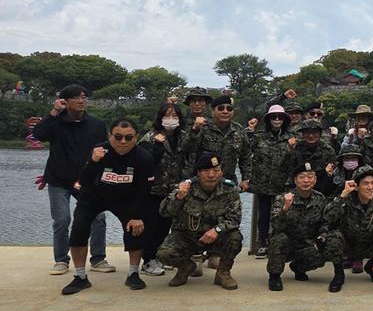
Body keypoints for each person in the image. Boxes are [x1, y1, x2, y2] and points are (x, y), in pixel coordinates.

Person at [59, 118, 155, 295]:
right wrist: (93, 162)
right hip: (94, 196)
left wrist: (138, 216)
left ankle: (133, 273)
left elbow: (145, 191)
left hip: (127, 199)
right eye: (117, 137)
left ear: (136, 137)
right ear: (110, 137)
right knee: (78, 229)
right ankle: (80, 277)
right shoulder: (99, 151)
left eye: (128, 137)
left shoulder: (144, 157)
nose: (123, 142)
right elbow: (84, 181)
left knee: (136, 228)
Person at [32, 84, 112, 276]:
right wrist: (54, 111)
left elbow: (105, 151)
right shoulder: (55, 123)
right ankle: (61, 260)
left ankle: (98, 258)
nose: (81, 100)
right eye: (76, 97)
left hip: (87, 181)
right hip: (59, 180)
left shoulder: (97, 124)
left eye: (84, 96)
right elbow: (38, 135)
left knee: (98, 218)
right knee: (62, 220)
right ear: (64, 101)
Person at [157, 152, 243, 290]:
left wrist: (217, 230)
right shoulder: (185, 188)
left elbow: (235, 219)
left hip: (215, 237)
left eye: (216, 170)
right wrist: (179, 197)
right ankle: (186, 267)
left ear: (221, 172)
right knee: (164, 254)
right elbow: (164, 212)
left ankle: (223, 273)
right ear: (198, 173)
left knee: (235, 237)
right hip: (187, 237)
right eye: (206, 171)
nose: (211, 175)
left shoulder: (229, 189)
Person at [322, 166, 373, 291]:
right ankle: (338, 274)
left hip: (370, 244)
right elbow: (328, 217)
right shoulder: (346, 198)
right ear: (356, 186)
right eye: (365, 184)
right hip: (348, 245)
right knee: (333, 237)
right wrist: (344, 194)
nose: (370, 187)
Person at [138, 103, 187, 275]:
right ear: (160, 117)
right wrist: (157, 147)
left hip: (174, 191)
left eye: (175, 115)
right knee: (152, 225)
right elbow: (143, 162)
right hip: (154, 190)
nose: (171, 118)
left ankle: (160, 256)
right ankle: (148, 260)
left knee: (166, 226)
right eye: (167, 115)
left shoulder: (184, 137)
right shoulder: (150, 137)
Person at [266, 162, 327, 291]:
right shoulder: (283, 198)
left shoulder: (320, 198)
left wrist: (322, 236)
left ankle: (299, 267)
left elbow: (324, 223)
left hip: (306, 244)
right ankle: (275, 276)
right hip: (287, 244)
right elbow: (276, 225)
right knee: (278, 239)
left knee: (325, 249)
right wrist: (285, 208)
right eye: (302, 177)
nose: (306, 180)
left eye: (310, 177)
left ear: (315, 180)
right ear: (295, 180)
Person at [246, 104, 294, 259]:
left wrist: (293, 149)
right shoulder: (259, 136)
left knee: (281, 214)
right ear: (269, 119)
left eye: (280, 117)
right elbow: (245, 149)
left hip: (283, 184)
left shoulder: (290, 138)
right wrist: (250, 130)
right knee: (264, 215)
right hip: (263, 183)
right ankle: (263, 243)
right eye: (274, 117)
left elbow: (294, 162)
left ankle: (278, 244)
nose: (277, 120)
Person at [181, 95, 252, 192]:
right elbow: (186, 149)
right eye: (221, 108)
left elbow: (246, 156)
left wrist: (245, 179)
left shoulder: (239, 130)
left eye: (229, 109)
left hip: (227, 182)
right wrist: (194, 130)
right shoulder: (202, 128)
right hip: (202, 183)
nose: (225, 111)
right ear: (213, 111)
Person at [287, 119, 336, 195]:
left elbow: (330, 175)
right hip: (298, 189)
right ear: (303, 134)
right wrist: (291, 151)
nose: (311, 135)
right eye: (307, 132)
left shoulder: (328, 151)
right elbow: (290, 170)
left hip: (321, 190)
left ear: (320, 134)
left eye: (314, 132)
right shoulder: (297, 148)